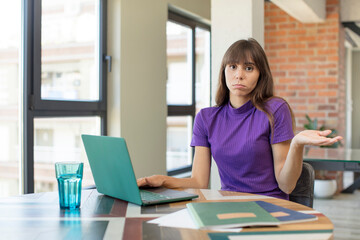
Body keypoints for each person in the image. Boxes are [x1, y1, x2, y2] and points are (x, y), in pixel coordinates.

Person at [137, 38, 342, 200]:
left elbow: (286, 185)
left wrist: (297, 143)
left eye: (249, 68)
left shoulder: (275, 110)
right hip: (228, 207)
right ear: (224, 71)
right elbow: (199, 182)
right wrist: (161, 180)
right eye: (233, 67)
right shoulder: (206, 118)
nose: (239, 75)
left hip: (269, 206)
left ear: (261, 75)